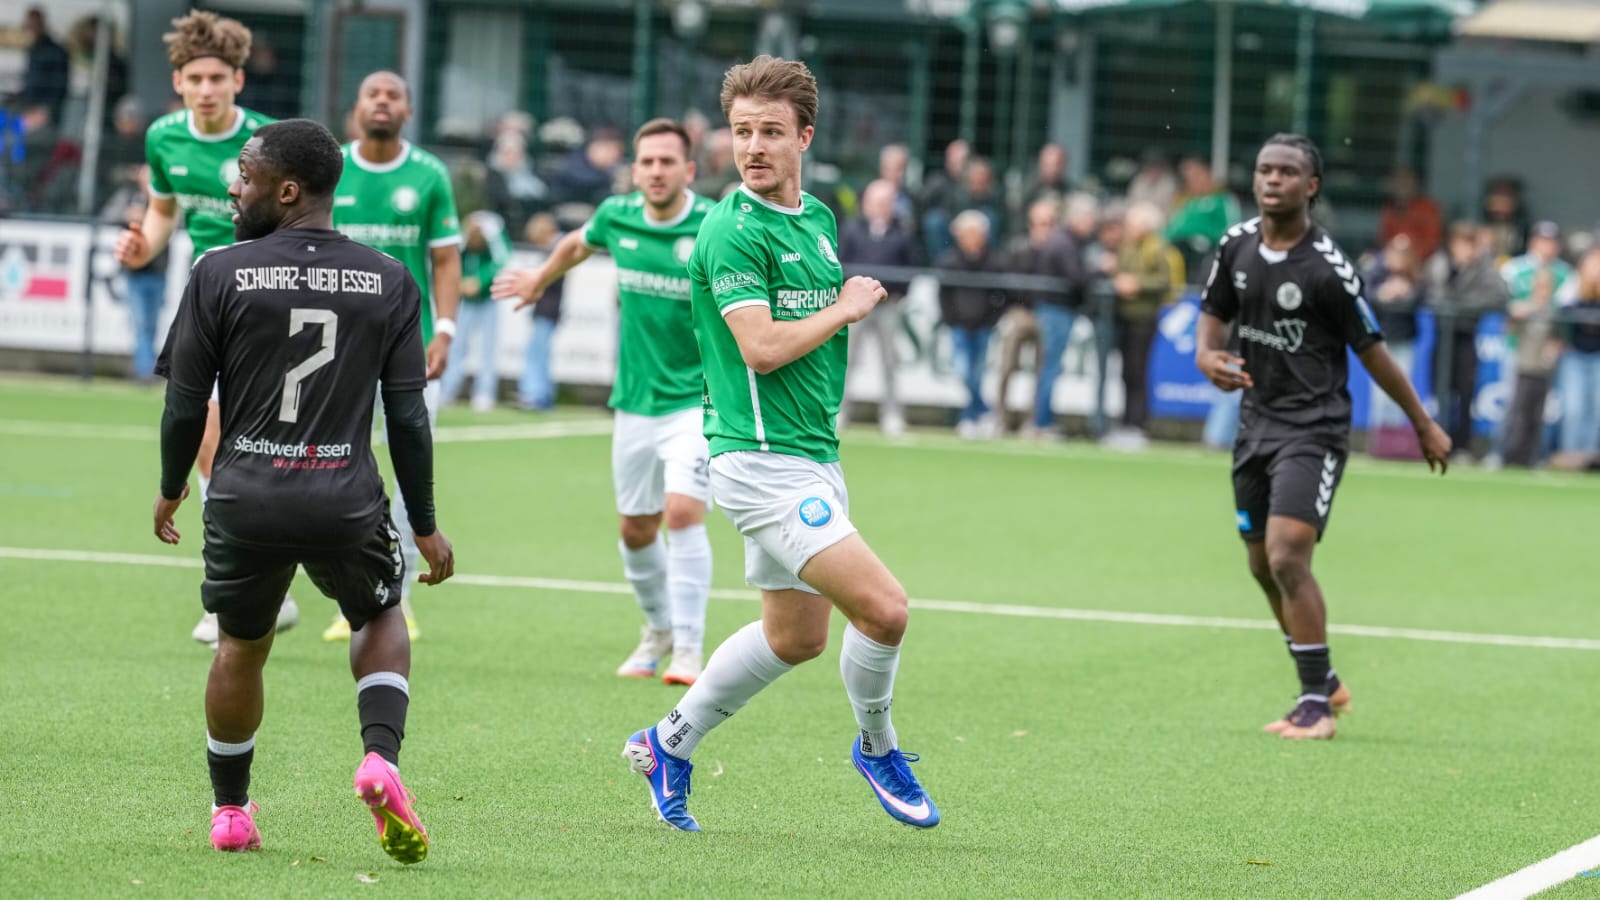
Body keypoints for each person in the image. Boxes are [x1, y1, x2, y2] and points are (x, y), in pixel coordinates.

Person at [620, 55, 939, 832]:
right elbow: (760, 349)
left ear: (805, 137)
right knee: (886, 611)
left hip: (811, 455)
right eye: (741, 132)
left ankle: (668, 743)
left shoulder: (818, 219)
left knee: (794, 638)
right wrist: (848, 308)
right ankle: (877, 747)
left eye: (769, 132)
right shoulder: (731, 230)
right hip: (758, 462)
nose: (753, 147)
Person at [150, 117, 454, 861]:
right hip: (343, 497)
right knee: (378, 613)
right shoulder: (388, 277)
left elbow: (185, 405)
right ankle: (379, 758)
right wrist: (423, 523)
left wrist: (171, 486)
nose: (233, 187)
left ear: (287, 191)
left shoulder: (218, 271)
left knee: (239, 646)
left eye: (246, 175)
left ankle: (231, 811)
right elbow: (408, 416)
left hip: (245, 495)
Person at [1194, 133, 1450, 740]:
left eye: (1286, 172)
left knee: (1287, 555)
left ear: (1311, 186)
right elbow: (1214, 312)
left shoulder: (1329, 269)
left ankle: (1314, 705)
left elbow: (1373, 350)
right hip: (1255, 425)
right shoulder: (1236, 245)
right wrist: (1206, 355)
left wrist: (1422, 422)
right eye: (1264, 169)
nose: (1271, 180)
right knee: (1261, 564)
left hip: (1314, 428)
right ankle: (1325, 679)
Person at [493, 118, 714, 686]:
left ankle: (690, 648)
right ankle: (659, 630)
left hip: (697, 399)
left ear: (689, 170)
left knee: (682, 512)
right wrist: (540, 278)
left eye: (668, 162)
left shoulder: (714, 224)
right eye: (648, 162)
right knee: (635, 530)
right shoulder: (618, 215)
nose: (657, 171)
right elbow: (576, 242)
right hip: (635, 401)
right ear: (634, 171)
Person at [112, 10, 297, 647]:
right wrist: (144, 245)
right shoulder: (163, 138)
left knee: (267, 444)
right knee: (205, 437)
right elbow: (164, 211)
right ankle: (239, 590)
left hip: (267, 300)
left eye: (218, 77)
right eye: (196, 78)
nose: (207, 88)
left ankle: (266, 581)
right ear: (179, 83)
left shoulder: (268, 143)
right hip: (203, 295)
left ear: (238, 80)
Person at [323, 70, 463, 643]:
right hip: (336, 348)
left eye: (393, 96)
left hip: (410, 347)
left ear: (408, 110)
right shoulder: (330, 167)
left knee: (409, 472)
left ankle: (395, 594)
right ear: (356, 108)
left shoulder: (429, 174)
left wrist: (445, 330)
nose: (382, 102)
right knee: (337, 466)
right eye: (372, 94)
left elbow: (446, 260)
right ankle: (348, 593)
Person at [1423, 222, 1509, 458]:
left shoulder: (1483, 268)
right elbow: (1431, 295)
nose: (1467, 249)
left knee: (1465, 391)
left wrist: (1460, 306)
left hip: (1465, 335)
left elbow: (1499, 295)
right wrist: (1454, 304)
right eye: (1464, 243)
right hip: (1443, 336)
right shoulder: (1439, 264)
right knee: (1440, 390)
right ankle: (1436, 441)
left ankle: (1462, 445)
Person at [837, 178, 915, 436]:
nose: (883, 206)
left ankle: (892, 414)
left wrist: (898, 294)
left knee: (890, 362)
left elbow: (910, 267)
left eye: (887, 202)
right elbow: (840, 264)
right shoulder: (851, 230)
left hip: (887, 305)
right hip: (855, 307)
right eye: (879, 201)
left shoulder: (902, 233)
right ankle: (839, 411)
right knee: (847, 361)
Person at [1011, 197, 1087, 439]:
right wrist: (1099, 272)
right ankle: (1039, 421)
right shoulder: (1062, 243)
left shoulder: (1058, 242)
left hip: (1049, 309)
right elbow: (1076, 277)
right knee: (1048, 367)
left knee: (1046, 367)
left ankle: (1038, 420)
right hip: (1053, 310)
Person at [1109, 202, 1174, 449]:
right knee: (1126, 372)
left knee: (1139, 371)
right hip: (1124, 316)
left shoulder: (1157, 248)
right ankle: (1126, 421)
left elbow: (1165, 282)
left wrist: (1137, 283)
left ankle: (1138, 423)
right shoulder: (1127, 247)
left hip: (1144, 318)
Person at [939, 209, 1007, 438]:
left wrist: (991, 320)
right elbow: (944, 296)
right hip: (959, 325)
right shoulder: (949, 261)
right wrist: (951, 319)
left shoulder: (994, 262)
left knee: (977, 373)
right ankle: (984, 411)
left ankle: (969, 417)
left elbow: (1002, 295)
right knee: (963, 371)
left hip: (983, 326)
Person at [440, 211, 512, 412]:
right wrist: (461, 282)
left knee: (488, 348)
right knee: (456, 346)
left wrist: (480, 281)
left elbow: (502, 259)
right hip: (465, 302)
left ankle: (485, 393)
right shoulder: (462, 237)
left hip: (488, 301)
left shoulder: (493, 236)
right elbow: (450, 259)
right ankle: (447, 390)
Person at [1554, 247, 1600, 460]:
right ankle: (1570, 458)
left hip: (1598, 355)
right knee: (1573, 409)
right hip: (1575, 355)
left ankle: (1588, 459)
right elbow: (1561, 310)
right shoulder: (1572, 286)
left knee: (1596, 410)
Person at [517, 213, 565, 411]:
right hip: (546, 311)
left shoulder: (557, 250)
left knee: (538, 354)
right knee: (538, 353)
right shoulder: (555, 249)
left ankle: (537, 395)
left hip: (547, 310)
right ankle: (538, 393)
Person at [1376, 167, 1442, 262]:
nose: (1402, 185)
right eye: (1398, 181)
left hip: (1423, 260)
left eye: (1406, 181)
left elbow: (1431, 242)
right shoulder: (1389, 209)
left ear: (1415, 184)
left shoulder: (1429, 208)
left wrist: (1410, 257)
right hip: (1395, 258)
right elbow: (1383, 239)